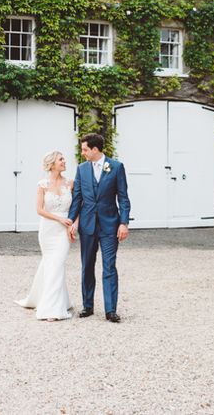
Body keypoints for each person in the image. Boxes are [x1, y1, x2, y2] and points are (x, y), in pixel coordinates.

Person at [67, 132, 131, 323]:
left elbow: (123, 198)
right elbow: (77, 198)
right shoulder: (81, 169)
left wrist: (124, 223)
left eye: (85, 149)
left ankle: (111, 310)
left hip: (110, 225)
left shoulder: (116, 167)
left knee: (109, 267)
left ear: (95, 149)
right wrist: (71, 222)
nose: (83, 152)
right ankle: (88, 306)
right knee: (87, 266)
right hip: (87, 226)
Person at [15, 150, 73, 320]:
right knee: (50, 263)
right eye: (61, 159)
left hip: (63, 231)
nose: (64, 161)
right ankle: (51, 305)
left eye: (63, 158)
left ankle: (53, 306)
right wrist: (59, 219)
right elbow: (39, 210)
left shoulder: (70, 183)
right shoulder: (42, 184)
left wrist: (72, 223)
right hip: (48, 230)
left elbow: (78, 204)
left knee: (56, 263)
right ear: (52, 164)